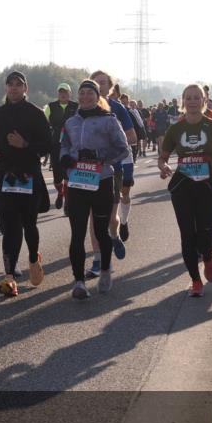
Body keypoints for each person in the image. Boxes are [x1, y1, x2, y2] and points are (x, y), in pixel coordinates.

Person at [158, 85, 212, 297]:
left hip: (208, 183)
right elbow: (162, 157)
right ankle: (195, 280)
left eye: (196, 97)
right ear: (183, 101)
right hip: (184, 185)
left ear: (204, 100)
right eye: (188, 98)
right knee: (187, 234)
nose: (192, 101)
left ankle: (207, 256)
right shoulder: (175, 128)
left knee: (206, 231)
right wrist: (163, 167)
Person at [59, 81, 130, 300]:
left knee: (101, 231)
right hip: (77, 182)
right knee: (77, 233)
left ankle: (106, 269)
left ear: (97, 96)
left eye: (90, 93)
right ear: (78, 97)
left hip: (102, 180)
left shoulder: (109, 120)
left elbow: (124, 149)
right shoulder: (70, 122)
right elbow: (63, 145)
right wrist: (66, 158)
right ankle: (79, 282)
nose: (85, 97)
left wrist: (100, 157)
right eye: (82, 93)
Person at [0, 71, 52, 298]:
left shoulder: (35, 113)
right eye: (10, 85)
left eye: (18, 85)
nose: (14, 88)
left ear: (26, 88)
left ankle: (34, 258)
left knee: (29, 225)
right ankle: (9, 276)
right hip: (5, 176)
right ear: (5, 88)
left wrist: (25, 144)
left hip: (29, 176)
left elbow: (47, 145)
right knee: (10, 228)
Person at [84, 70, 135, 277]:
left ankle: (114, 235)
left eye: (103, 83)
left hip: (113, 169)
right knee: (94, 218)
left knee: (111, 218)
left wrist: (110, 143)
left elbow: (131, 138)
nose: (100, 85)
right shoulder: (81, 110)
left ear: (110, 87)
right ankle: (98, 261)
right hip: (88, 171)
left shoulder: (118, 109)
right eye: (95, 82)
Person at [45, 83, 77, 210]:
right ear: (58, 94)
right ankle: (60, 192)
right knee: (57, 177)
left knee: (69, 173)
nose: (63, 94)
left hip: (71, 145)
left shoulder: (76, 106)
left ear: (70, 93)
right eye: (60, 92)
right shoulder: (50, 107)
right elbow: (43, 123)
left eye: (65, 92)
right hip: (56, 145)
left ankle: (68, 201)